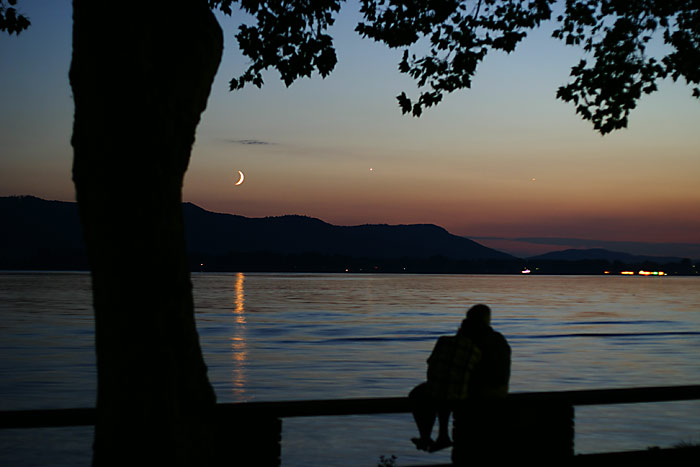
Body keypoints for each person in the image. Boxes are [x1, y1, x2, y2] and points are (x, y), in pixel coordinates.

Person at [409, 304, 511, 453]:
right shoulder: (497, 339)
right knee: (447, 386)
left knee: (427, 392)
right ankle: (438, 436)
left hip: (482, 392)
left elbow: (448, 367)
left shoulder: (473, 340)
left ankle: (432, 436)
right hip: (498, 391)